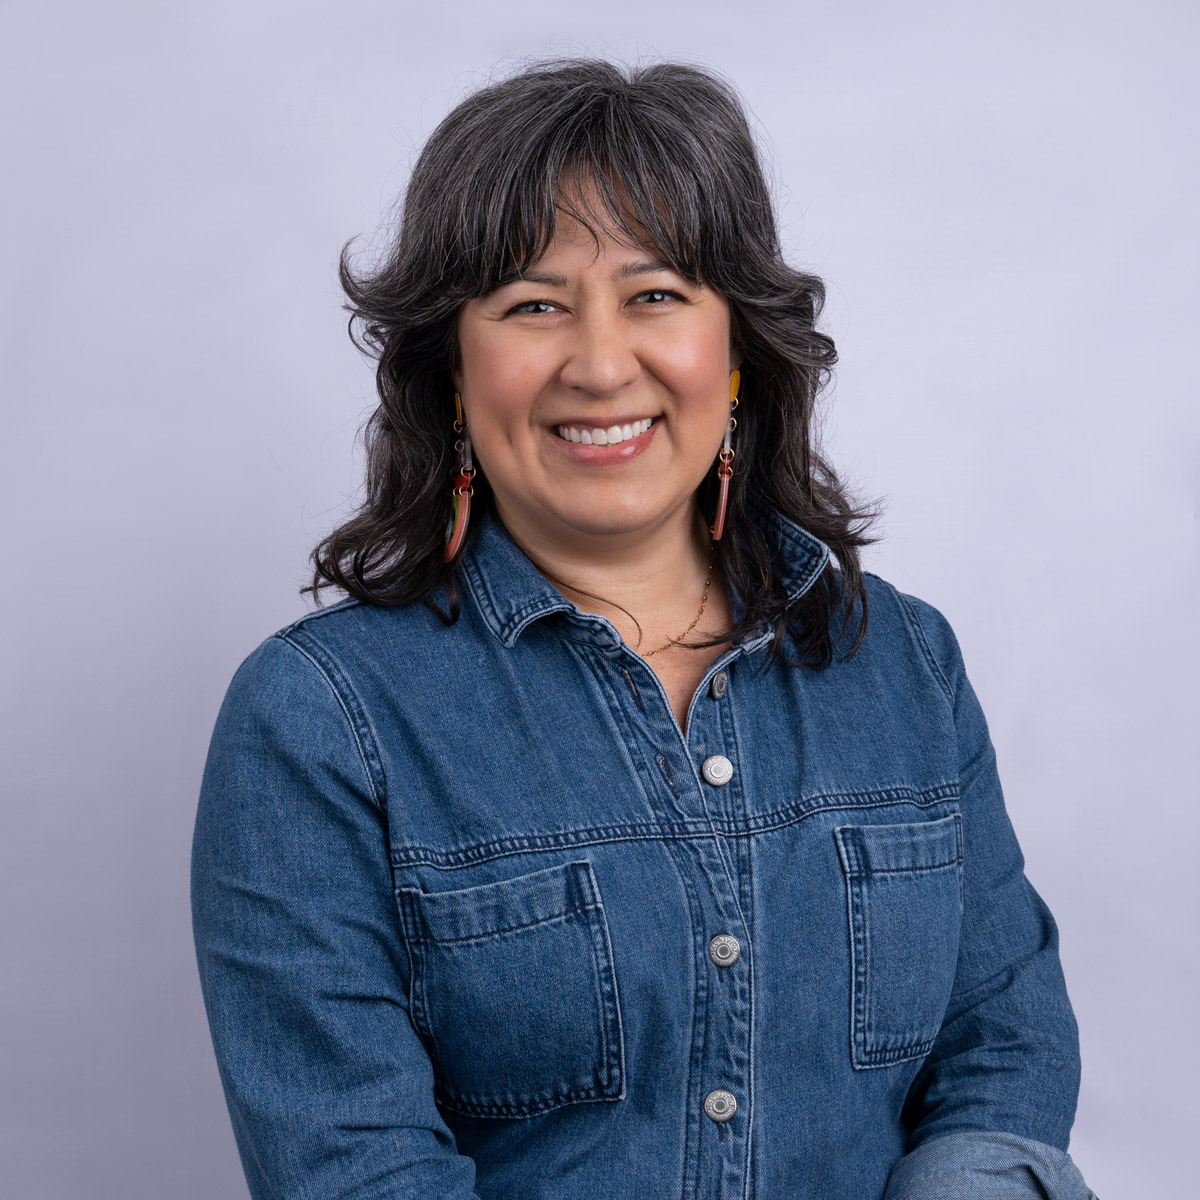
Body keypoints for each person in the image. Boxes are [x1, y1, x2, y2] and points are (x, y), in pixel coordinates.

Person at [191, 59, 1097, 1200]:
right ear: (455, 376)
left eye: (657, 293)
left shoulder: (905, 664)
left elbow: (1004, 1058)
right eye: (532, 304)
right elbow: (353, 1172)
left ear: (737, 355)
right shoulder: (320, 723)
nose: (602, 361)